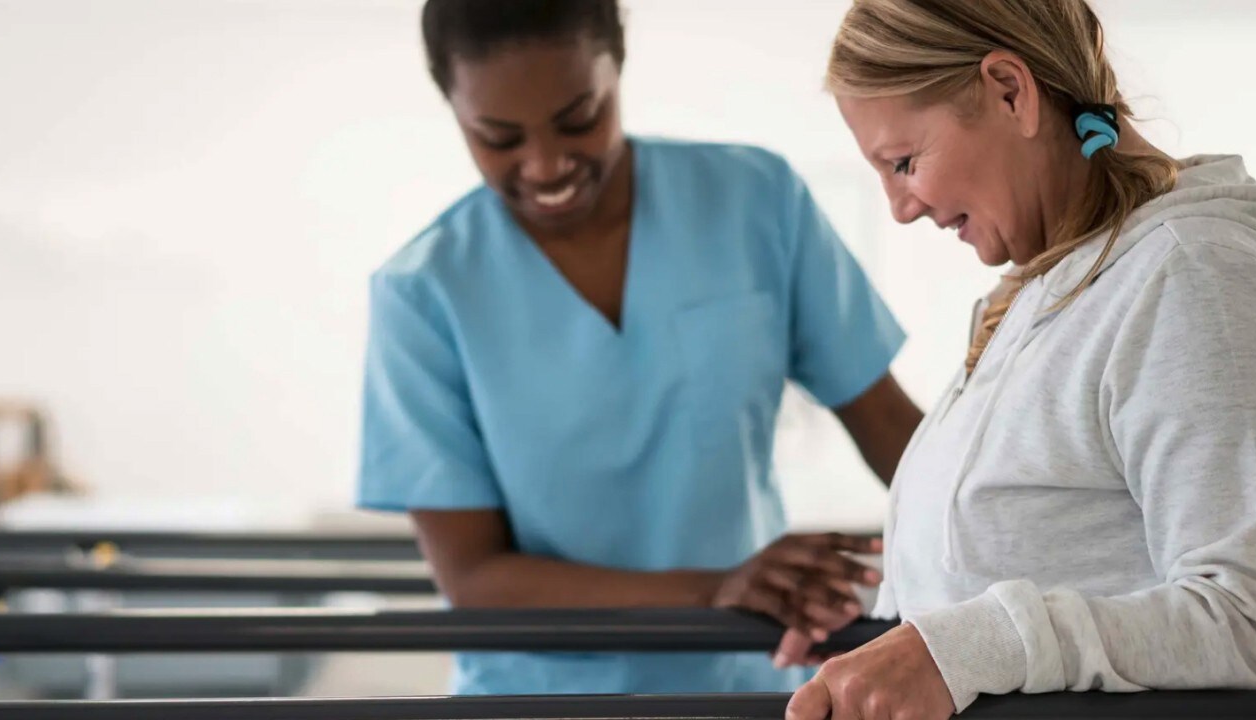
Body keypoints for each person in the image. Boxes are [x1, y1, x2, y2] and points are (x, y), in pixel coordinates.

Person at [782, 1, 1256, 718]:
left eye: (904, 162)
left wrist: (961, 646)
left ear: (1010, 91)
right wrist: (885, 635)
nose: (901, 207)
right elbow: (1039, 569)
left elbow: (1255, 623)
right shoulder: (1050, 293)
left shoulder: (1195, 279)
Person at [357, 0, 923, 696]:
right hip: (534, 702)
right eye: (498, 138)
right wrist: (715, 589)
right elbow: (473, 577)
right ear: (452, 108)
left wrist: (1019, 553)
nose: (545, 164)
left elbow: (892, 430)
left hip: (747, 683)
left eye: (579, 119)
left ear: (616, 66)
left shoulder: (754, 201)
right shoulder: (424, 292)